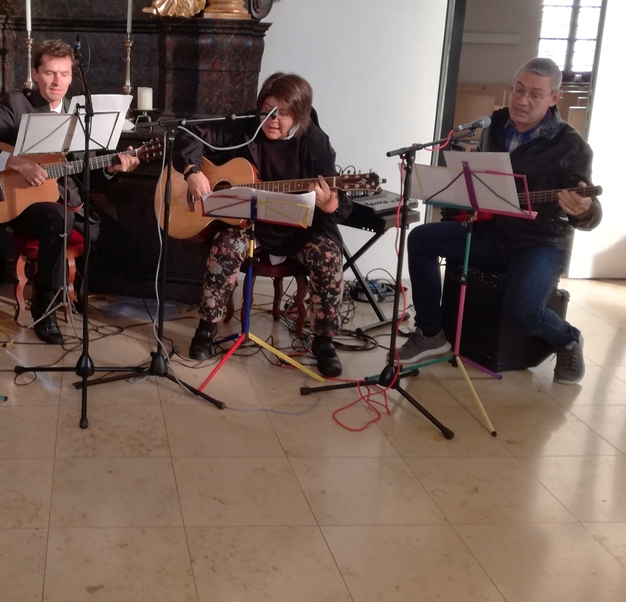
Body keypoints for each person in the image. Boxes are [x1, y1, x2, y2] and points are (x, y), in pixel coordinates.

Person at [398, 57, 601, 384]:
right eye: (518, 90)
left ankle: (568, 338)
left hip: (540, 244)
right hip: (492, 233)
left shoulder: (572, 146)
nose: (522, 100)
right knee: (421, 238)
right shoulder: (494, 124)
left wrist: (585, 210)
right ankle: (431, 333)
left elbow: (589, 212)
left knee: (522, 312)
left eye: (535, 94)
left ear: (554, 98)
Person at [0, 39, 139, 344]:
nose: (57, 81)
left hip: (67, 198)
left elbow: (87, 172)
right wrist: (13, 162)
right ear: (36, 73)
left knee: (122, 243)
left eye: (64, 74)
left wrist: (113, 168)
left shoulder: (78, 112)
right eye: (50, 73)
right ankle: (45, 305)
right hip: (18, 202)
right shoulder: (17, 105)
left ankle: (78, 295)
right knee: (58, 218)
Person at [175, 72, 351, 378]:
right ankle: (206, 328)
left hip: (298, 231)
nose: (272, 120)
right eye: (267, 110)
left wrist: (331, 204)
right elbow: (188, 131)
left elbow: (340, 202)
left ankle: (324, 342)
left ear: (299, 115)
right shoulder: (246, 127)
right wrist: (192, 170)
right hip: (248, 224)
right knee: (225, 245)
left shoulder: (315, 142)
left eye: (282, 113)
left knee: (328, 255)